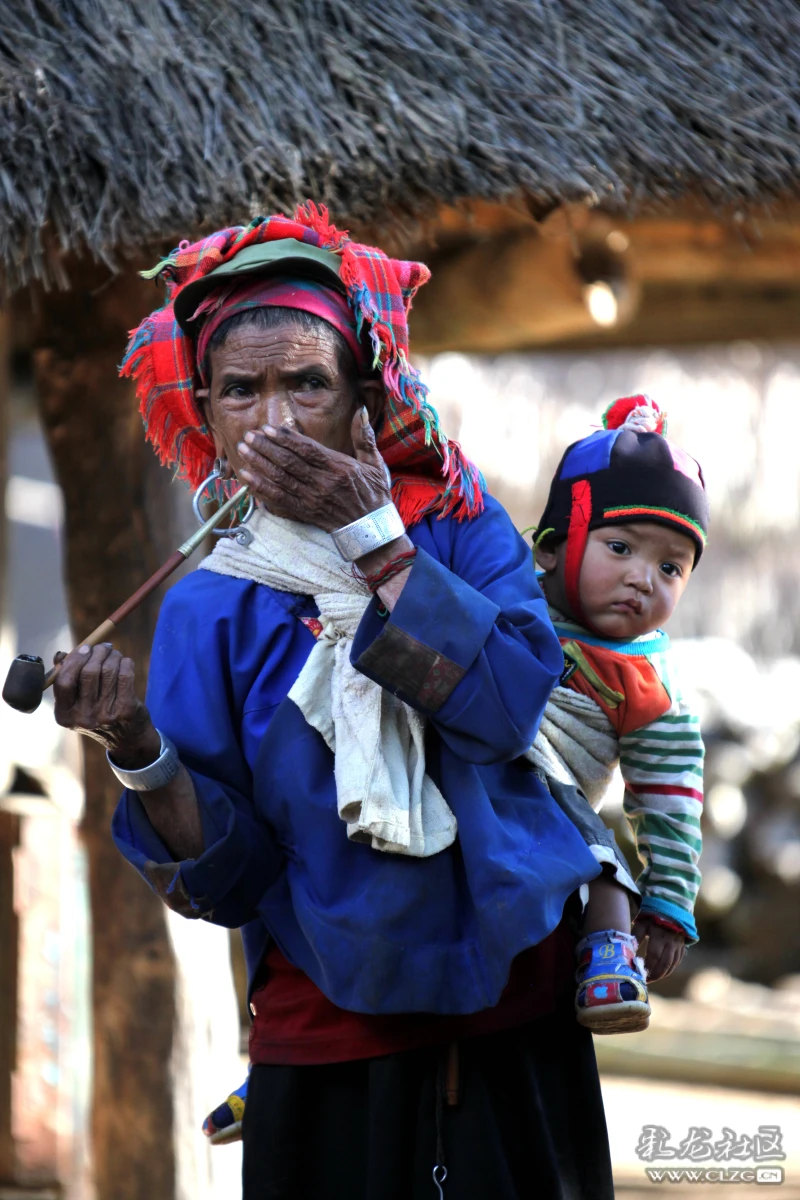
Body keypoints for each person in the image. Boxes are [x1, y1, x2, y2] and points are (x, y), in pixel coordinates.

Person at [50, 204, 613, 1199]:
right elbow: (227, 877)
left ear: (363, 395)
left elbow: (505, 708)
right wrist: (138, 746)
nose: (271, 421)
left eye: (304, 383)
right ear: (205, 414)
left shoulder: (454, 524)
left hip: (512, 1008)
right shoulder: (207, 605)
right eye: (238, 391)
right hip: (323, 1025)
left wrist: (374, 541)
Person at [527, 395, 708, 1035]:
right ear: (551, 549)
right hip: (443, 780)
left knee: (591, 850)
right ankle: (293, 1023)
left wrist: (666, 903)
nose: (643, 579)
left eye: (669, 567)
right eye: (621, 546)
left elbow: (670, 795)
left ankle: (607, 949)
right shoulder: (500, 591)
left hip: (548, 812)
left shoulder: (647, 680)